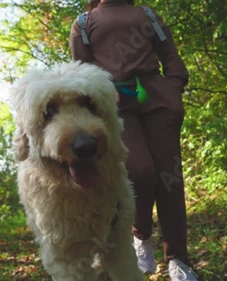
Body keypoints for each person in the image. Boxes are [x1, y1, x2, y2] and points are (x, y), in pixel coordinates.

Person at [69, 1, 199, 281]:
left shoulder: (148, 14)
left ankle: (178, 258)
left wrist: (174, 87)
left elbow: (171, 56)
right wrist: (100, 93)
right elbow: (81, 74)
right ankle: (141, 236)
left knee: (169, 178)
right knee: (139, 171)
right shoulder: (83, 23)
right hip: (116, 108)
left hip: (160, 103)